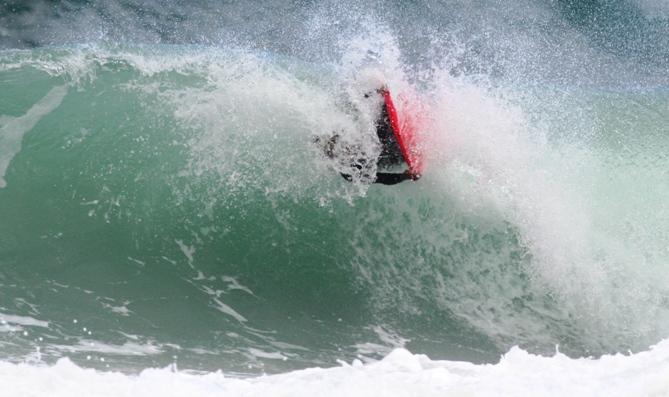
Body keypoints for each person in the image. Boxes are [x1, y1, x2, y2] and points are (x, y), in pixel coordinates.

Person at [318, 85, 421, 186]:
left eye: (331, 143)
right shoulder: (348, 172)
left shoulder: (342, 130)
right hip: (388, 156)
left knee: (378, 125)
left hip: (379, 136)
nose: (332, 146)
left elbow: (356, 103)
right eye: (330, 150)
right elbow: (381, 179)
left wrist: (376, 93)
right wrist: (406, 176)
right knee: (387, 148)